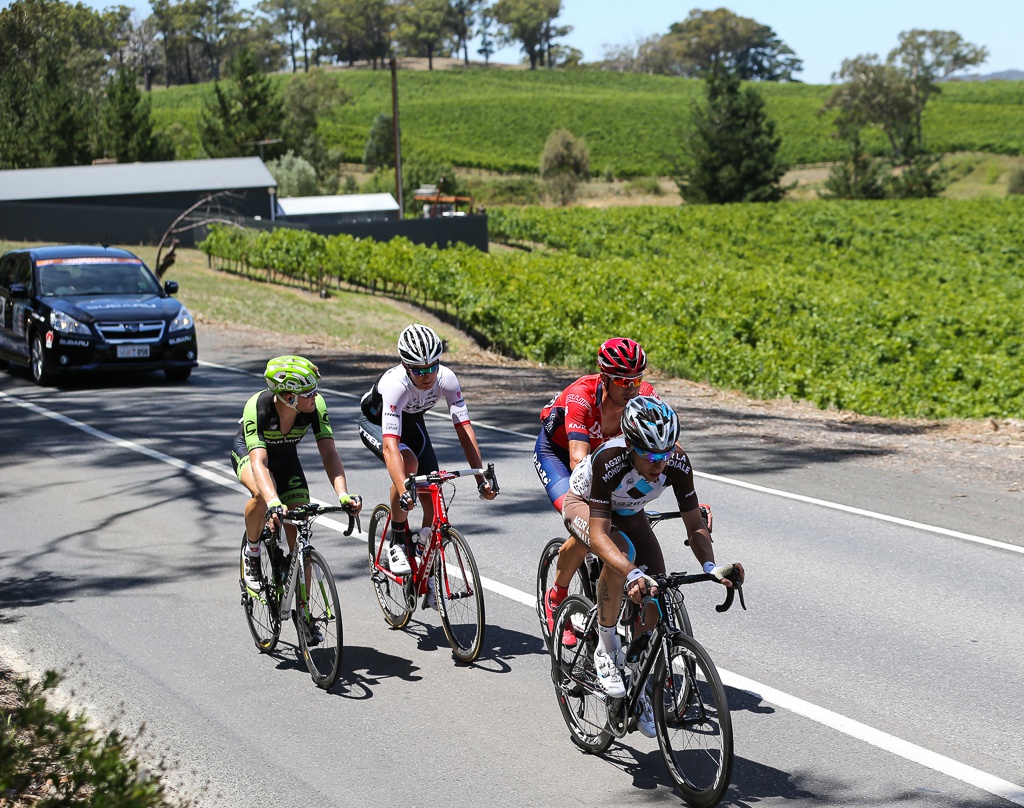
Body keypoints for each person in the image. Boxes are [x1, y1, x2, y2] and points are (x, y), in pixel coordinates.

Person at [560, 396, 743, 737]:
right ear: (630, 445)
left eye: (665, 452)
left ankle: (639, 687)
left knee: (656, 591)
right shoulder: (610, 461)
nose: (660, 463)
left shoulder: (677, 461)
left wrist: (711, 565)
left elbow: (695, 525)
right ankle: (606, 646)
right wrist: (629, 572)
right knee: (622, 554)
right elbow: (600, 534)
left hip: (630, 512)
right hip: (584, 506)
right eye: (650, 455)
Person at [536, 338, 712, 633]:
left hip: (613, 456)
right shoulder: (581, 396)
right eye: (621, 380)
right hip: (561, 454)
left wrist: (687, 496)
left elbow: (666, 444)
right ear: (604, 378)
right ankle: (558, 595)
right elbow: (578, 459)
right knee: (589, 530)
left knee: (624, 537)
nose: (631, 388)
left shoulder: (645, 396)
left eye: (637, 379)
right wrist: (607, 499)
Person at [358, 324, 497, 594]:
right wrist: (403, 491)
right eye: (419, 370)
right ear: (405, 366)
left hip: (411, 422)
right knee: (408, 467)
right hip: (377, 423)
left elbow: (464, 429)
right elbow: (390, 447)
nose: (427, 375)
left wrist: (481, 478)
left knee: (434, 497)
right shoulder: (395, 385)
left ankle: (426, 566)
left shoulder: (447, 378)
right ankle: (398, 540)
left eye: (432, 366)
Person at [232, 355, 362, 638]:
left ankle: (304, 614)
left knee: (300, 537)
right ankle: (252, 552)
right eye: (309, 392)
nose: (315, 396)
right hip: (252, 455)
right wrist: (274, 501)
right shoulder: (259, 407)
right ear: (289, 397)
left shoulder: (315, 407)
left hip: (286, 458)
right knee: (263, 496)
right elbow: (260, 465)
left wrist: (342, 494)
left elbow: (329, 452)